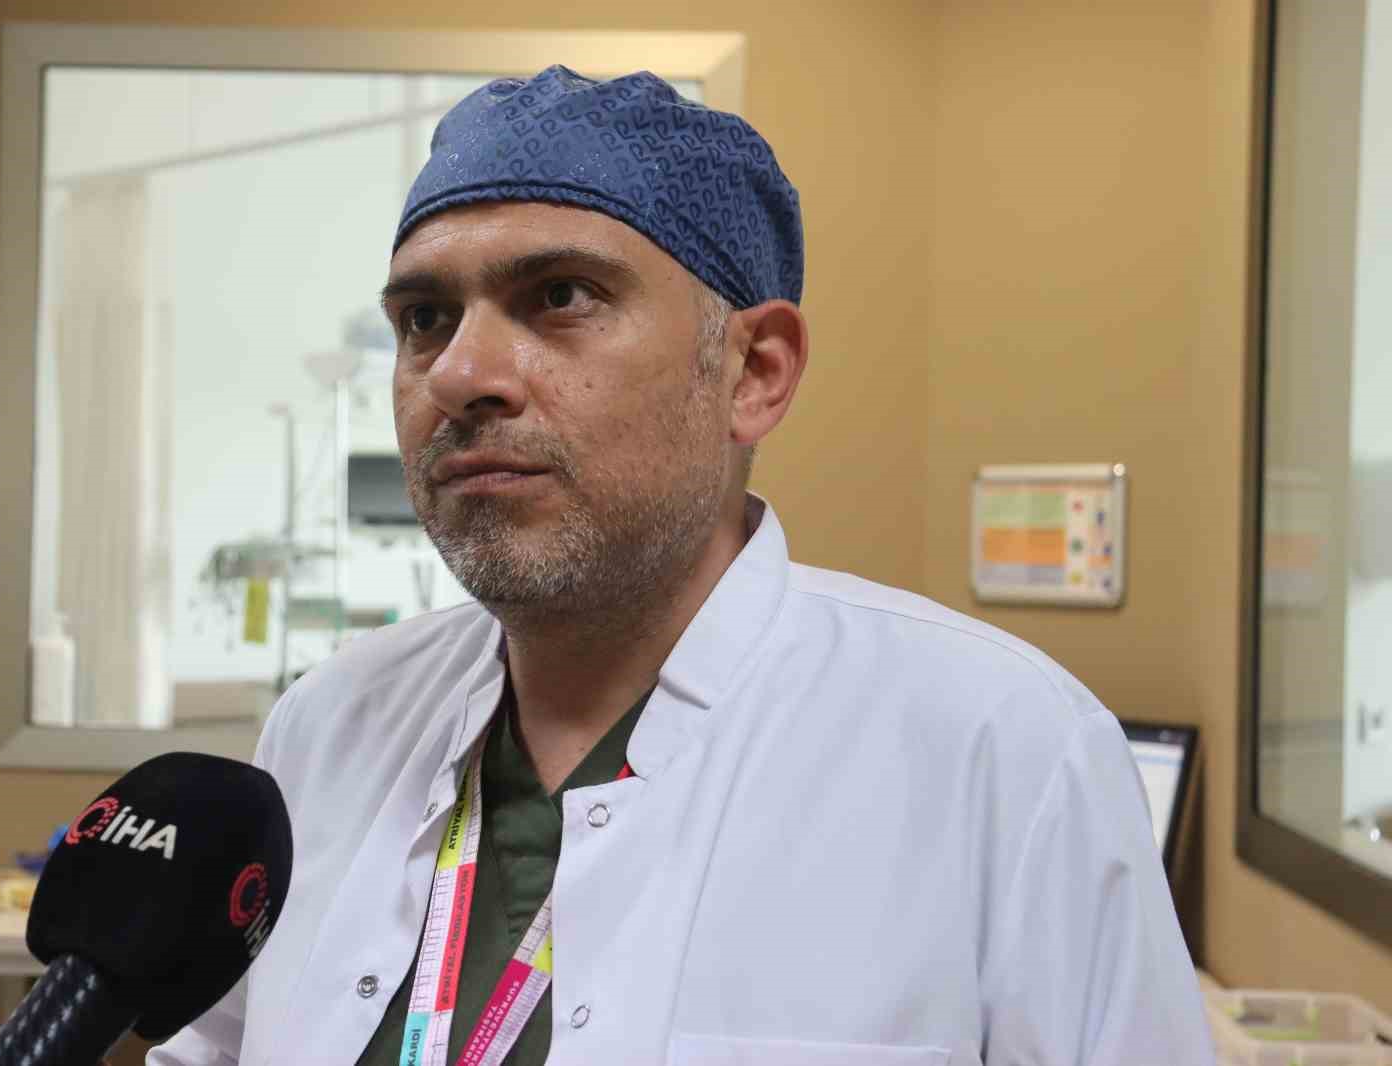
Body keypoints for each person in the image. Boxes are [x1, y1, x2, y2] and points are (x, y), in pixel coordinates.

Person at [168, 65, 1214, 1065]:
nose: (459, 373)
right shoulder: (327, 727)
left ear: (753, 373)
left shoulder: (1004, 752)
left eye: (560, 295)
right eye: (424, 320)